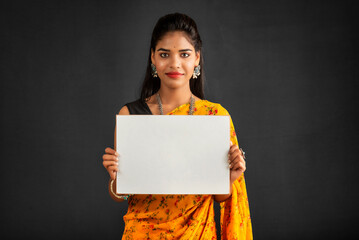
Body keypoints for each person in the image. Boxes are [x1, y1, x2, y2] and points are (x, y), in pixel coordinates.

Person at [102, 12, 252, 239]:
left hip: (198, 233)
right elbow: (121, 194)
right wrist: (116, 178)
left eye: (184, 54)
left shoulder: (214, 116)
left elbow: (219, 196)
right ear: (153, 58)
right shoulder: (131, 115)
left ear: (197, 58)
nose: (174, 63)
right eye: (164, 54)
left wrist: (230, 177)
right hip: (142, 233)